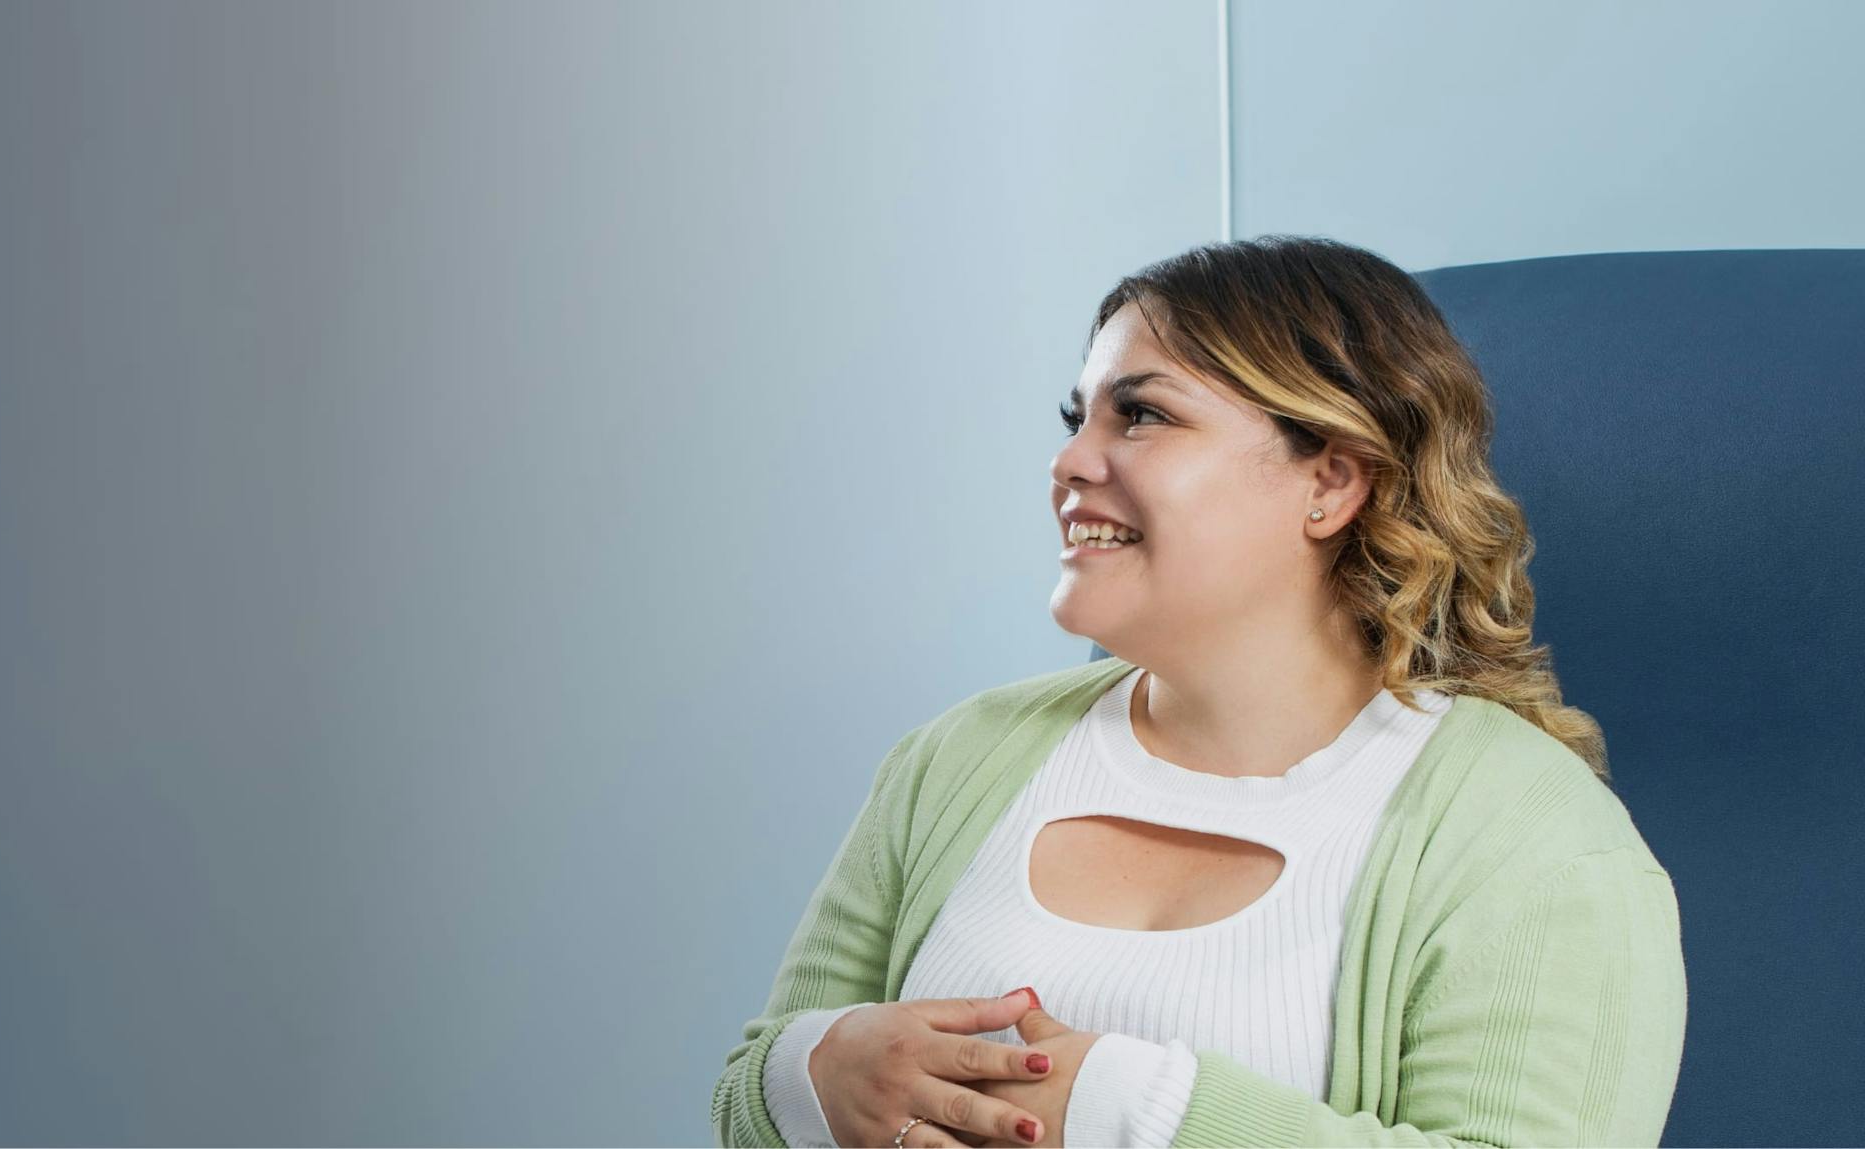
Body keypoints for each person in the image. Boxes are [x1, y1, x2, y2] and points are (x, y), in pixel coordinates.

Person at [709, 235, 1686, 1148]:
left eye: (1140, 415)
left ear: (1332, 483)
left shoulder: (1533, 835)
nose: (1067, 463)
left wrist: (1142, 1114)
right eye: (1077, 418)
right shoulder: (956, 759)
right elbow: (750, 1085)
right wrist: (813, 1076)